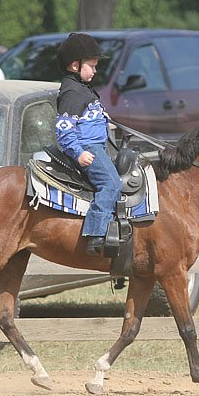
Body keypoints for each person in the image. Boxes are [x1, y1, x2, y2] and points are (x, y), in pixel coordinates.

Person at [55, 32, 121, 256]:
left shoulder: (82, 88)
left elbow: (87, 117)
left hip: (97, 144)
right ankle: (96, 233)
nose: (95, 70)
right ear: (75, 65)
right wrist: (78, 153)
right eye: (91, 66)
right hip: (88, 149)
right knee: (111, 184)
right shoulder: (72, 92)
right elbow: (64, 130)